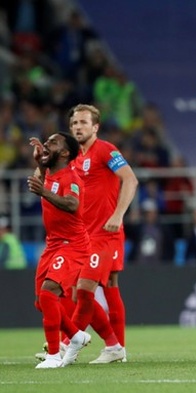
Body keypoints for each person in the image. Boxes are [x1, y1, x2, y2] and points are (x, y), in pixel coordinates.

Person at [67, 103, 138, 363]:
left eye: (83, 122)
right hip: (82, 235)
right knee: (103, 286)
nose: (78, 127)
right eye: (74, 123)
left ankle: (68, 343)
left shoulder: (106, 150)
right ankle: (114, 347)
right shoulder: (72, 156)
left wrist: (118, 214)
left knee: (91, 289)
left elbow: (130, 179)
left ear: (95, 127)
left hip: (105, 233)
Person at [27, 132, 91, 368]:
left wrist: (43, 191)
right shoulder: (50, 173)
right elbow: (43, 179)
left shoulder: (71, 177)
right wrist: (39, 161)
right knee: (41, 302)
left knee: (48, 294)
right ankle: (76, 336)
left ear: (65, 153)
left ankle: (53, 355)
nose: (46, 144)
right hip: (53, 243)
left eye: (53, 143)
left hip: (72, 244)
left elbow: (72, 204)